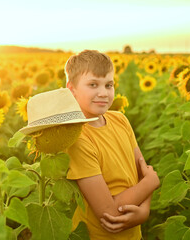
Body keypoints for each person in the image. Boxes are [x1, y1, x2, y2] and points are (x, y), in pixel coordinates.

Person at [65, 50, 160, 239]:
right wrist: (151, 182)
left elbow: (143, 173)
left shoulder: (120, 120)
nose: (103, 93)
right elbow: (111, 214)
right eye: (93, 84)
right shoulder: (77, 138)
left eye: (109, 85)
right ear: (71, 89)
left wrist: (144, 212)